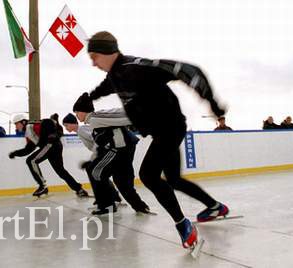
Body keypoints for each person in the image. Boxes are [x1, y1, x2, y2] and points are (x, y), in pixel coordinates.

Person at [82, 31, 229, 249]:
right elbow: (105, 87)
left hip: (170, 127)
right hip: (162, 130)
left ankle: (183, 226)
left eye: (94, 56)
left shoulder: (138, 66)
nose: (93, 63)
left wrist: (213, 103)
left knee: (148, 175)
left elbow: (187, 70)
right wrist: (89, 97)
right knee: (174, 179)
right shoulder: (115, 75)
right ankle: (215, 206)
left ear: (106, 51)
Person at [63, 106, 151, 215]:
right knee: (117, 179)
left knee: (96, 171)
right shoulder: (86, 126)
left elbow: (97, 142)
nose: (66, 128)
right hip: (121, 148)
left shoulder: (83, 128)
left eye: (66, 125)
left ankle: (107, 203)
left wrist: (93, 159)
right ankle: (138, 205)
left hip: (117, 149)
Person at [8, 115, 89, 198]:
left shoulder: (31, 126)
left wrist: (54, 134)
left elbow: (48, 122)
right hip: (54, 146)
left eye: (16, 124)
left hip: (51, 145)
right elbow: (28, 149)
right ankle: (79, 189)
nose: (16, 126)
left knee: (31, 161)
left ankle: (42, 186)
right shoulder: (28, 133)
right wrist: (15, 153)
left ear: (23, 122)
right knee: (60, 171)